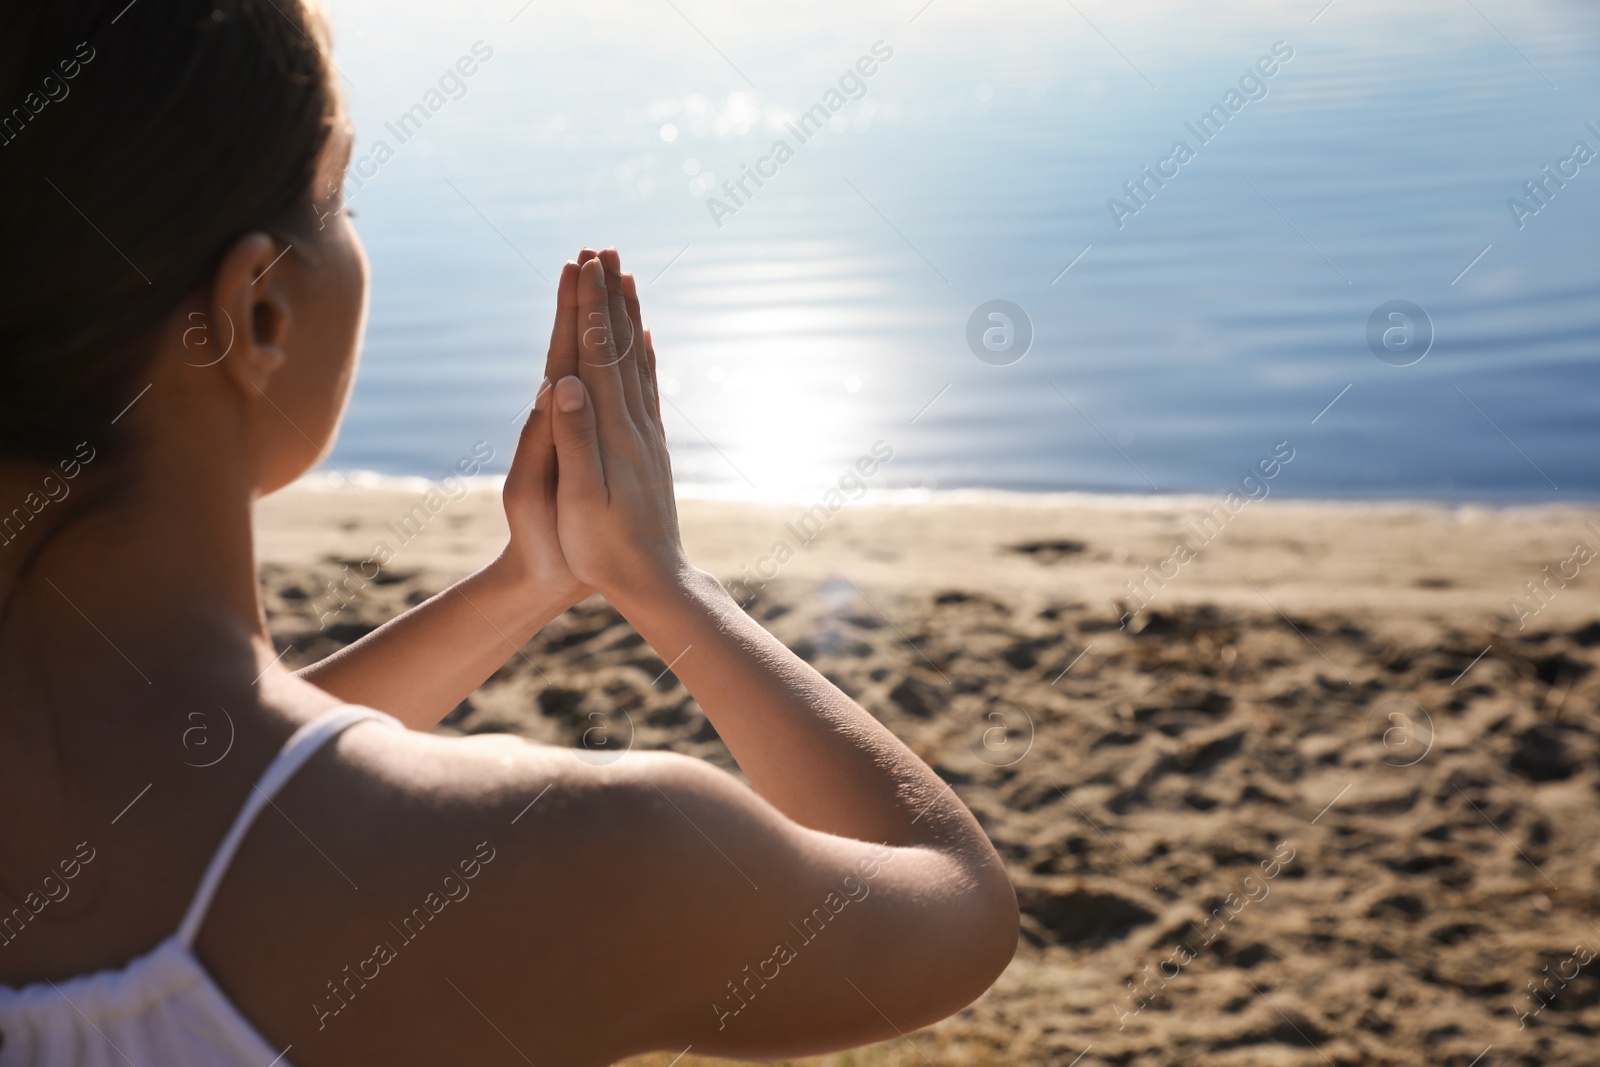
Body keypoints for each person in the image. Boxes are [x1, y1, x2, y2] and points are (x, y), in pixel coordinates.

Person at [0, 2, 1017, 1064]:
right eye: (338, 195)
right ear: (259, 311)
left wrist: (523, 583)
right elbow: (953, 907)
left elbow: (196, 783)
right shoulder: (573, 861)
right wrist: (666, 585)